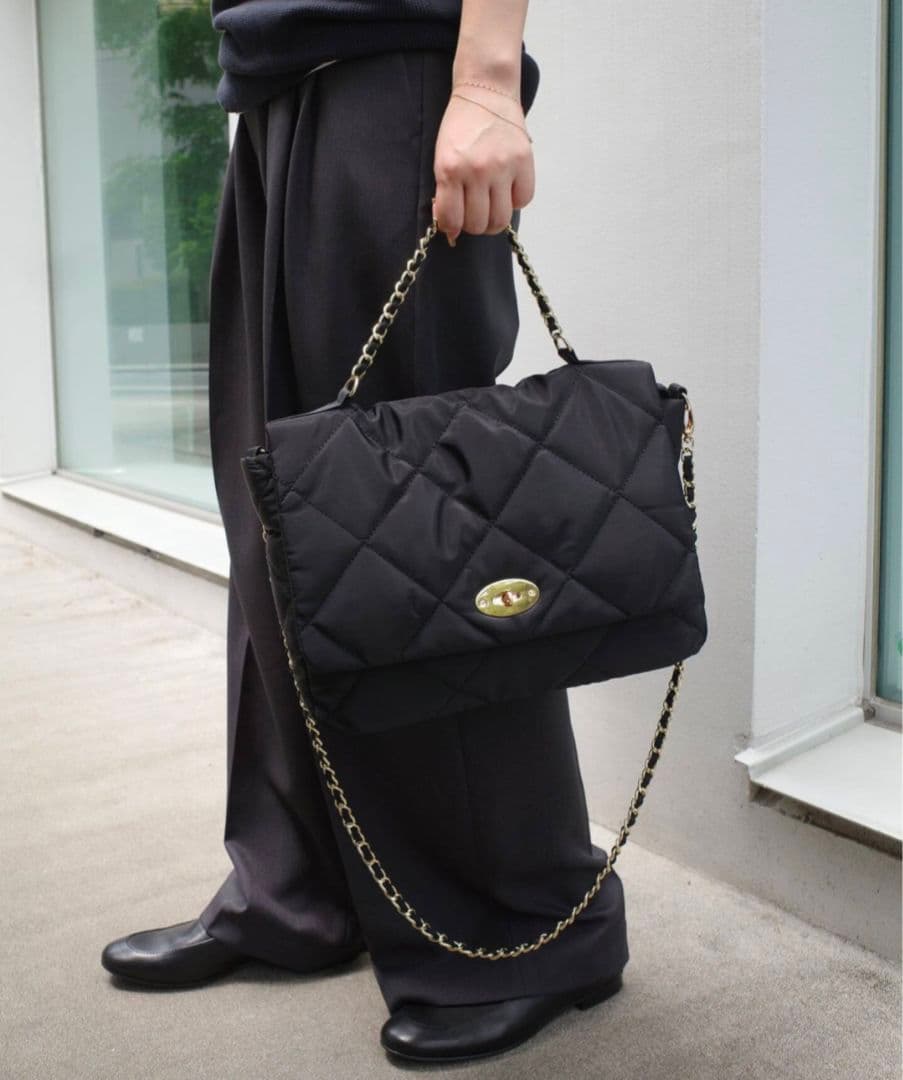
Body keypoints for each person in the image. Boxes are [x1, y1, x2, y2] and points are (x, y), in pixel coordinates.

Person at [101, 0, 630, 1064]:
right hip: (277, 91)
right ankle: (300, 888)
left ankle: (531, 931)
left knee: (426, 538)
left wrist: (486, 82)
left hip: (394, 77)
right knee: (283, 527)